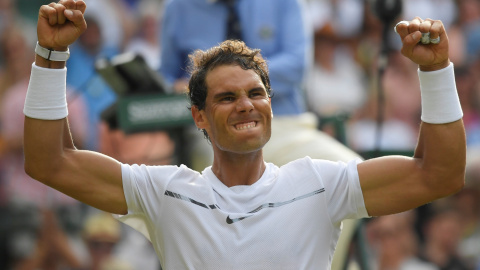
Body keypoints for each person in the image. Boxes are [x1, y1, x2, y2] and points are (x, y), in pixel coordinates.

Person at [23, 1, 466, 269]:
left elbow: (439, 176)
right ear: (198, 117)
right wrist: (50, 55)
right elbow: (50, 162)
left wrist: (435, 71)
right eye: (227, 97)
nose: (246, 104)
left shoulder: (320, 183)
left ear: (272, 106)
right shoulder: (164, 192)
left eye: (257, 93)